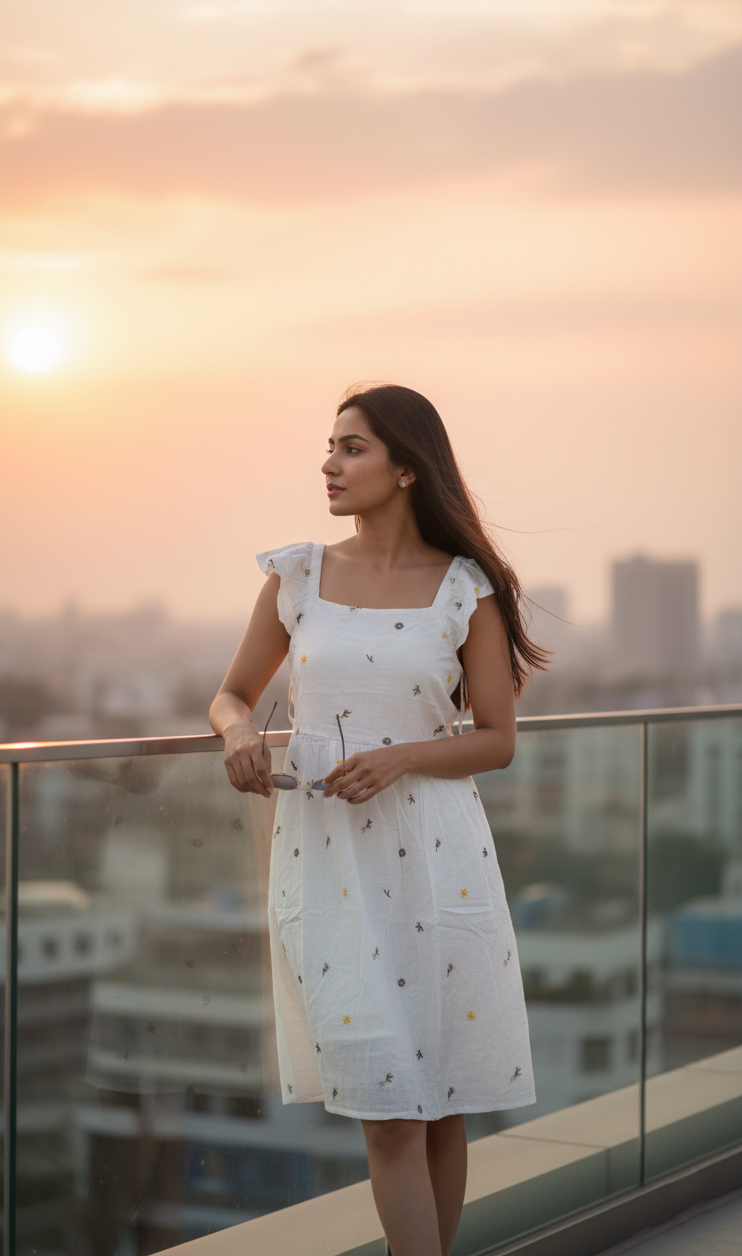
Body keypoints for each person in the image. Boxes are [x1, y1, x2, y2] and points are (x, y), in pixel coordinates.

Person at [210, 383, 547, 1256]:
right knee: (386, 1108)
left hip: (441, 864)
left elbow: (499, 740)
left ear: (406, 467)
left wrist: (398, 756)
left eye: (350, 447)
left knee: (437, 1108)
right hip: (327, 863)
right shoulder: (299, 575)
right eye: (328, 446)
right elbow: (229, 692)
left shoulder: (467, 588)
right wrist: (241, 731)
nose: (328, 464)